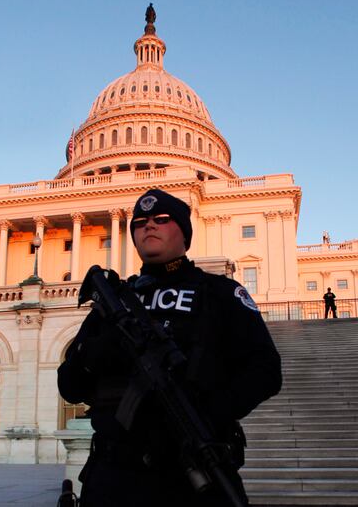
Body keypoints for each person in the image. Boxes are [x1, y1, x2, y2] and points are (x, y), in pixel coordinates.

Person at [57, 189, 282, 507]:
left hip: (190, 468)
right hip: (114, 475)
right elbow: (69, 384)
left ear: (184, 233)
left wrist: (208, 414)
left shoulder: (218, 293)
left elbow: (266, 371)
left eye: (162, 219)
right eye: (140, 222)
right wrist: (98, 352)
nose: (149, 226)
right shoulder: (113, 302)